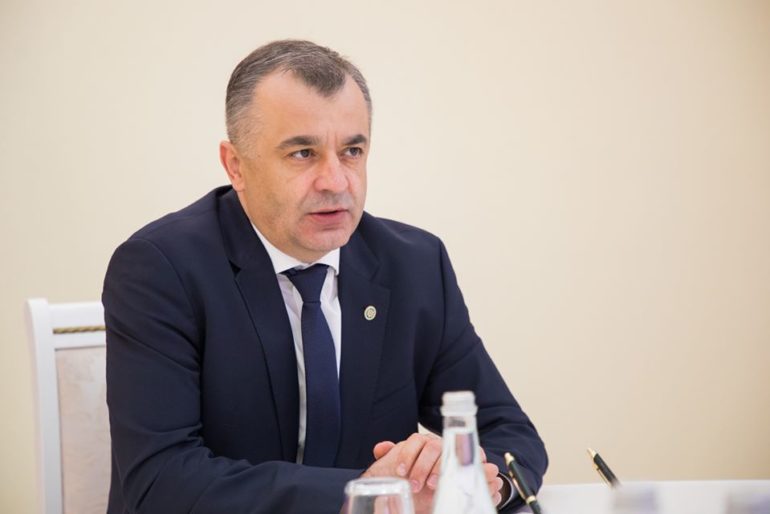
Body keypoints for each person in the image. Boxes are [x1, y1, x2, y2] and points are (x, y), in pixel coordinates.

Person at [103, 39, 547, 514]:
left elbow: (509, 435)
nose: (336, 181)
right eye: (302, 153)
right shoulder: (159, 269)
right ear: (236, 166)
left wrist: (479, 481)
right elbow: (160, 481)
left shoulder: (415, 265)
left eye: (352, 150)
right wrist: (367, 494)